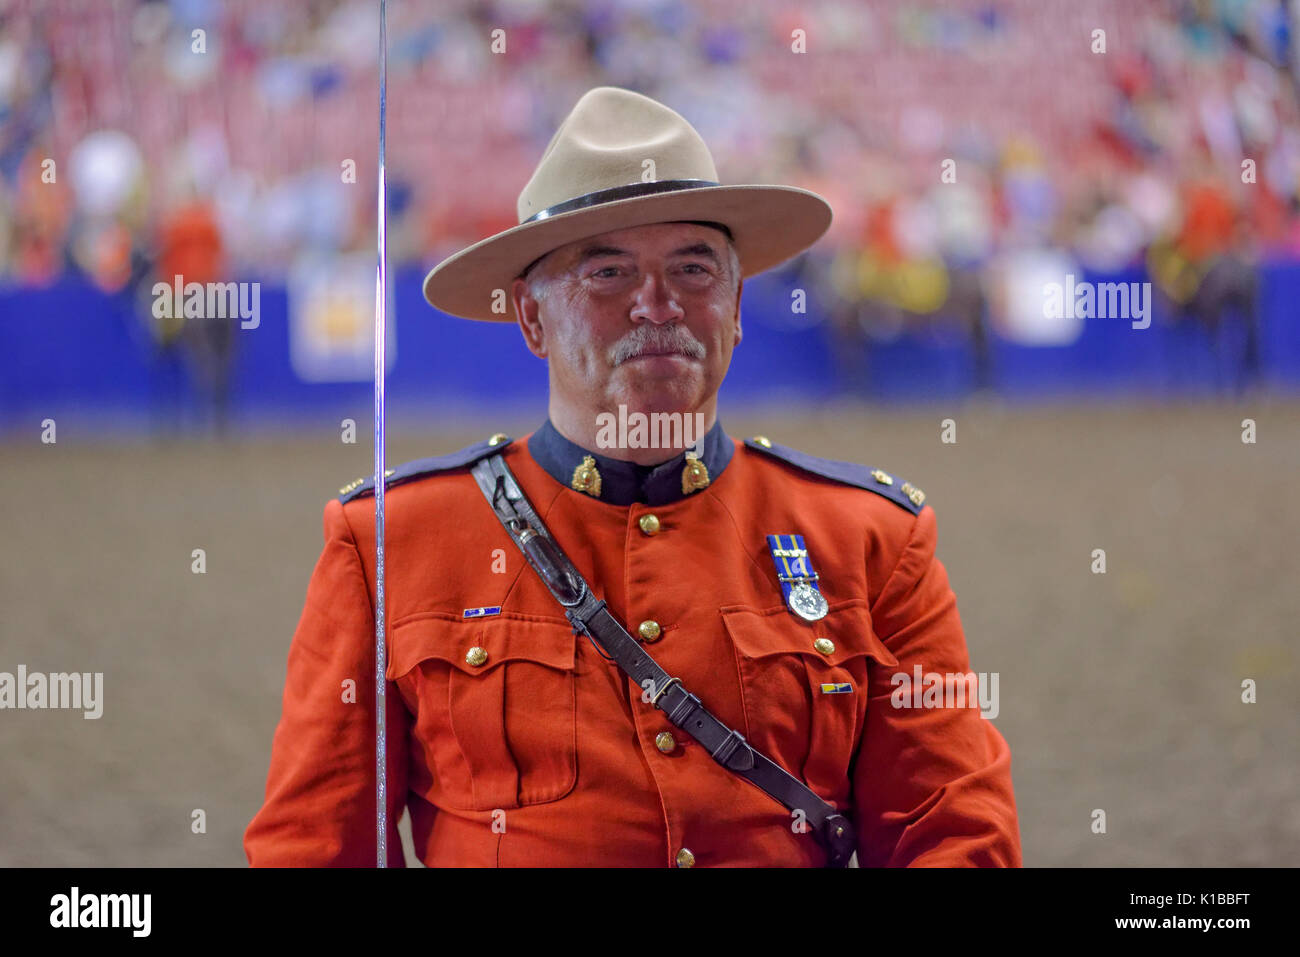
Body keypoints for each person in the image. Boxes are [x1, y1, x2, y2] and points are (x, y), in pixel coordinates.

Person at [244, 87, 1022, 867]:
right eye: (609, 272)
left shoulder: (871, 540)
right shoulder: (387, 544)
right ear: (531, 318)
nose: (658, 305)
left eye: (692, 267)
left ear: (738, 303)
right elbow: (312, 848)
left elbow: (956, 833)